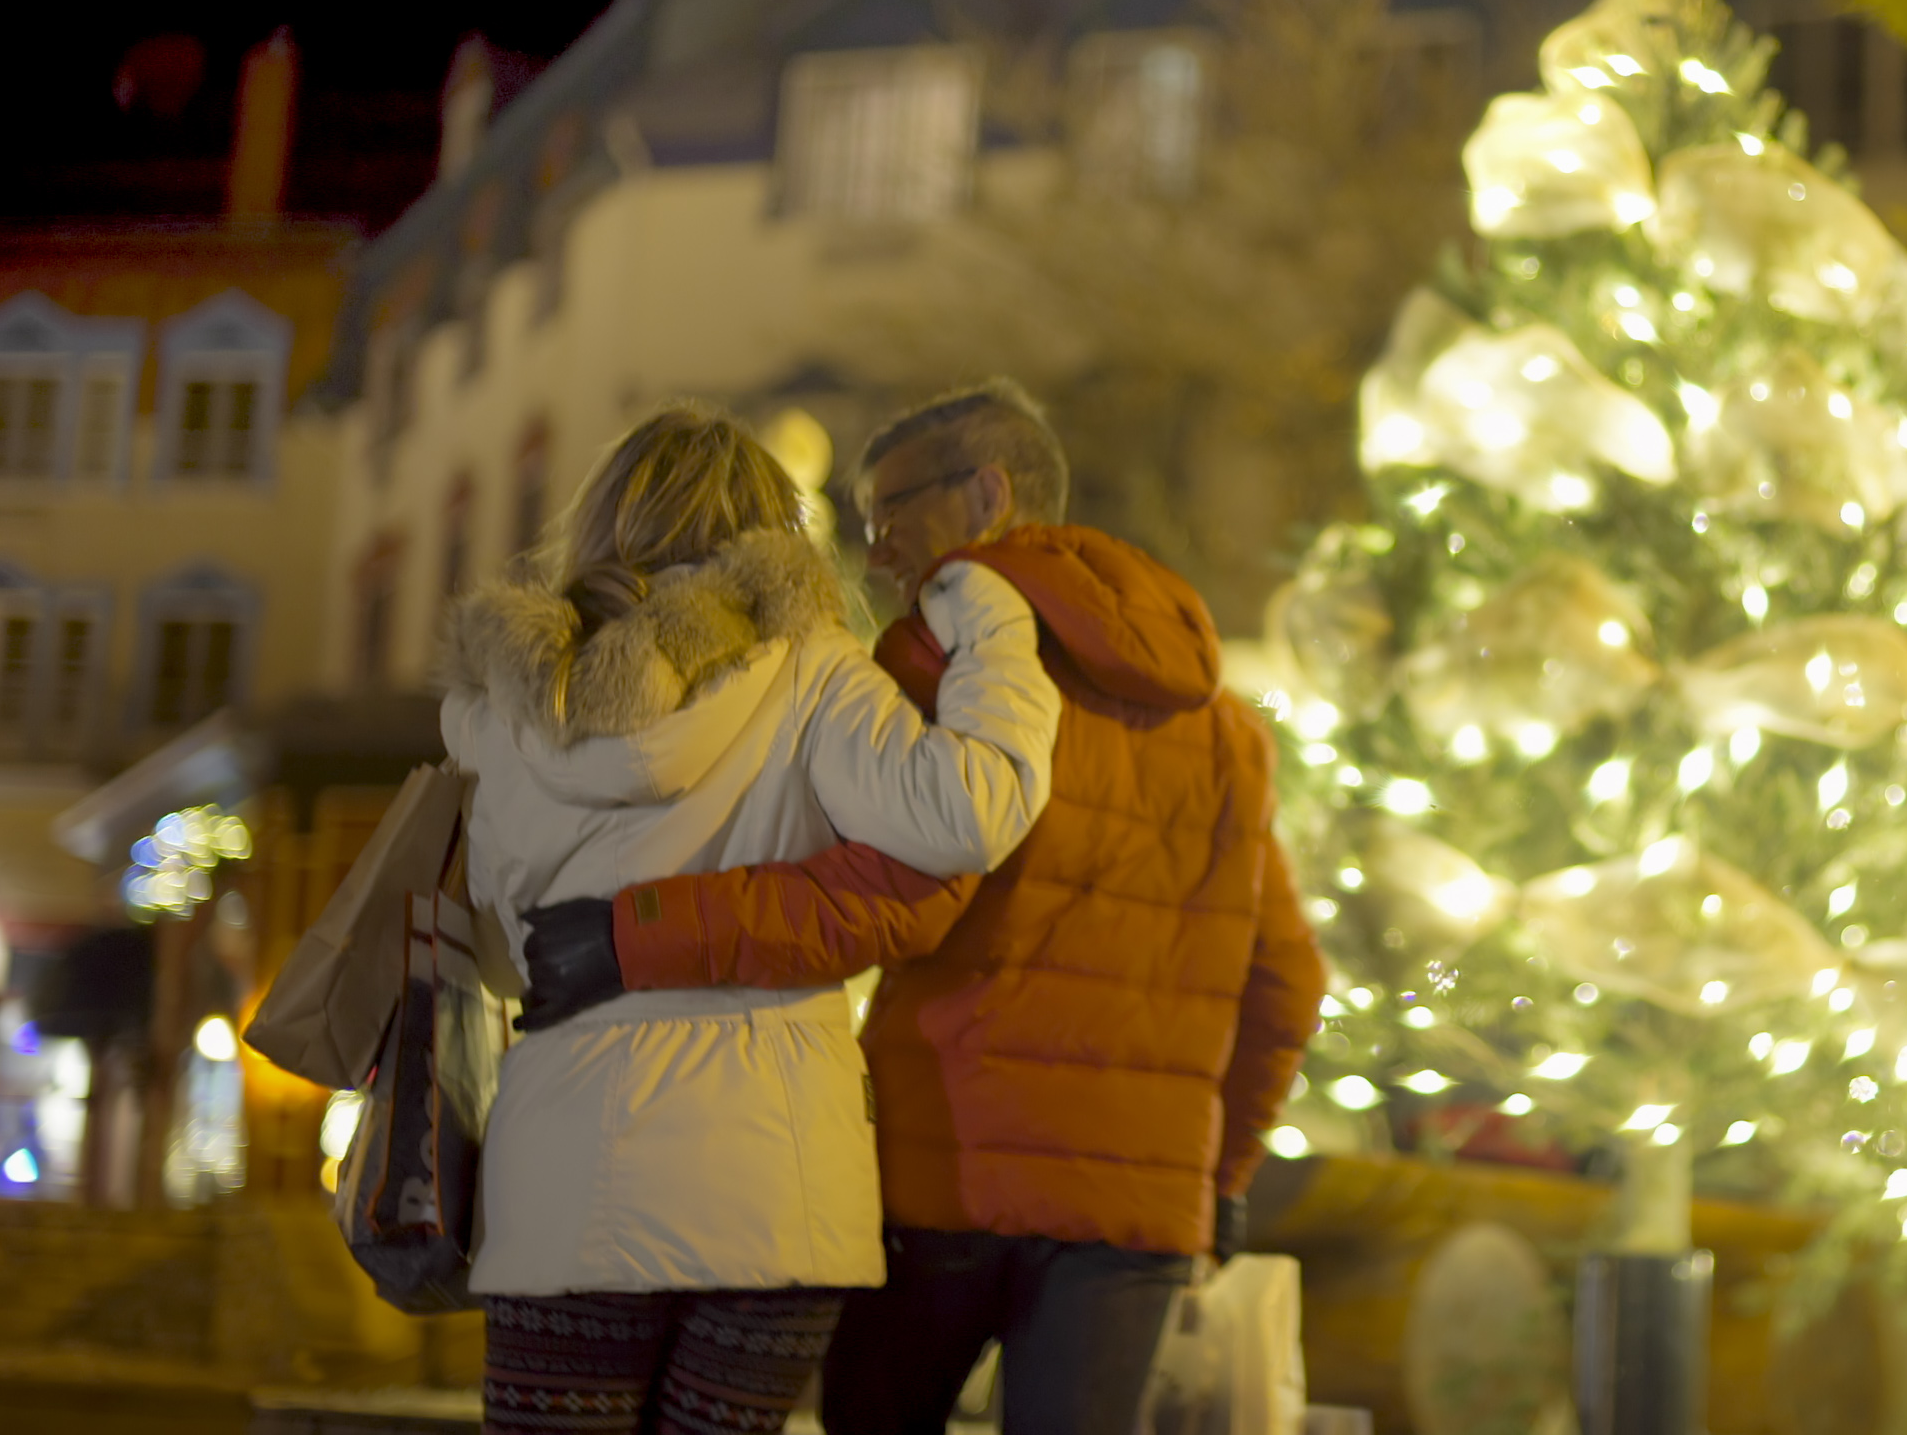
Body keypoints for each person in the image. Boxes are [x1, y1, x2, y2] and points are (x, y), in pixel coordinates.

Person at [518, 379, 1327, 1435]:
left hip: (939, 1165)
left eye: (888, 514)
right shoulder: (1225, 727)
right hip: (1140, 1208)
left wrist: (633, 931)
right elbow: (1287, 978)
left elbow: (886, 901)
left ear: (987, 491)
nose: (874, 552)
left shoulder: (938, 660)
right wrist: (1223, 1171)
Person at [441, 404, 1063, 1435]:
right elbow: (968, 811)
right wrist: (995, 623)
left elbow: (508, 950)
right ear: (770, 531)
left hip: (565, 1181)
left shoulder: (508, 702)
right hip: (775, 1190)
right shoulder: (812, 670)